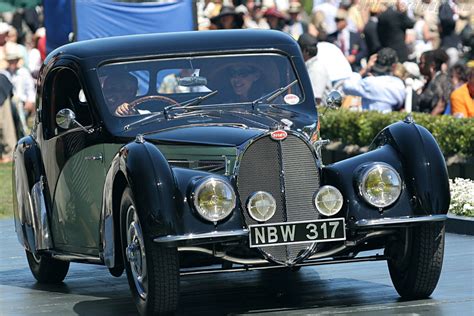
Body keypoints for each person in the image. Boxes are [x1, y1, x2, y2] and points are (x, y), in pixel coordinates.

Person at [343, 47, 406, 112]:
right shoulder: (399, 85)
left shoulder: (369, 82)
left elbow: (347, 86)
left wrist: (365, 69)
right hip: (392, 120)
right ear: (394, 66)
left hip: (370, 121)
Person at [298, 33, 352, 104]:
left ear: (306, 51)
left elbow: (315, 100)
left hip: (320, 112)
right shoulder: (310, 66)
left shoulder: (316, 69)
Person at [417, 49, 451, 115]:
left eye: (422, 63)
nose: (419, 66)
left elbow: (441, 105)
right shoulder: (430, 81)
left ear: (432, 65)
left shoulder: (442, 80)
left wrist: (427, 122)